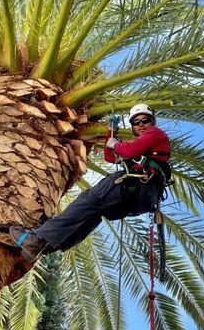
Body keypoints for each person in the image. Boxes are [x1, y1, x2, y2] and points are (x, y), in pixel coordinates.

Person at [9, 103, 171, 261]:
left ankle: (37, 239)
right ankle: (48, 248)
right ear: (133, 126)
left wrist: (115, 143)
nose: (141, 125)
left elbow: (129, 150)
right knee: (94, 214)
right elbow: (110, 157)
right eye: (136, 122)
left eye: (145, 120)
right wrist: (111, 132)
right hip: (142, 199)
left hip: (134, 185)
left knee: (88, 201)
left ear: (153, 122)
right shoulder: (145, 147)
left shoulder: (155, 134)